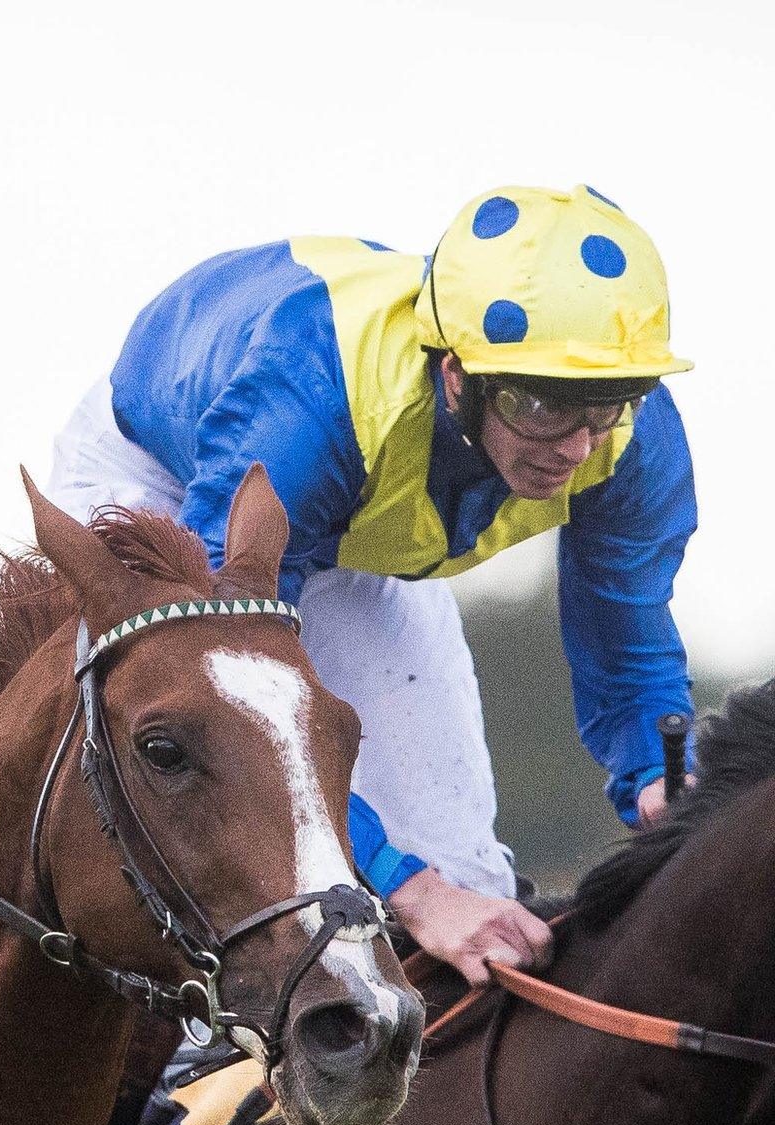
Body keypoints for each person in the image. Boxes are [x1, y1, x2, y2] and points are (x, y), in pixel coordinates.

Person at [48, 185, 694, 988]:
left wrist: (663, 777)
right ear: (457, 377)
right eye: (538, 404)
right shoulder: (303, 412)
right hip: (175, 490)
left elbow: (626, 645)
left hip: (347, 530)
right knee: (224, 838)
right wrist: (411, 890)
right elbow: (229, 700)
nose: (575, 446)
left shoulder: (631, 435)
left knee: (474, 889)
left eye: (604, 406)